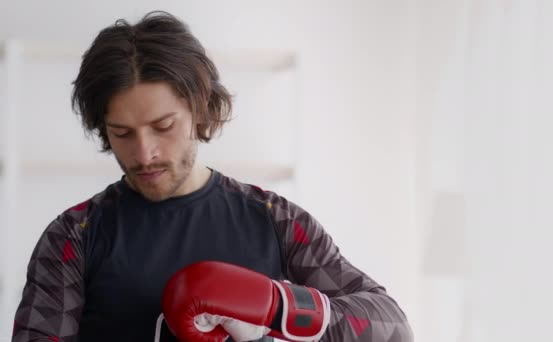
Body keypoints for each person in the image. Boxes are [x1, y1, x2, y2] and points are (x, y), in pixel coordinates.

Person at [11, 11, 413, 342]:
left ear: (199, 110)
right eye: (123, 133)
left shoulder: (275, 220)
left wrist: (274, 307)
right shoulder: (74, 236)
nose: (144, 152)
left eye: (163, 125)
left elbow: (391, 327)